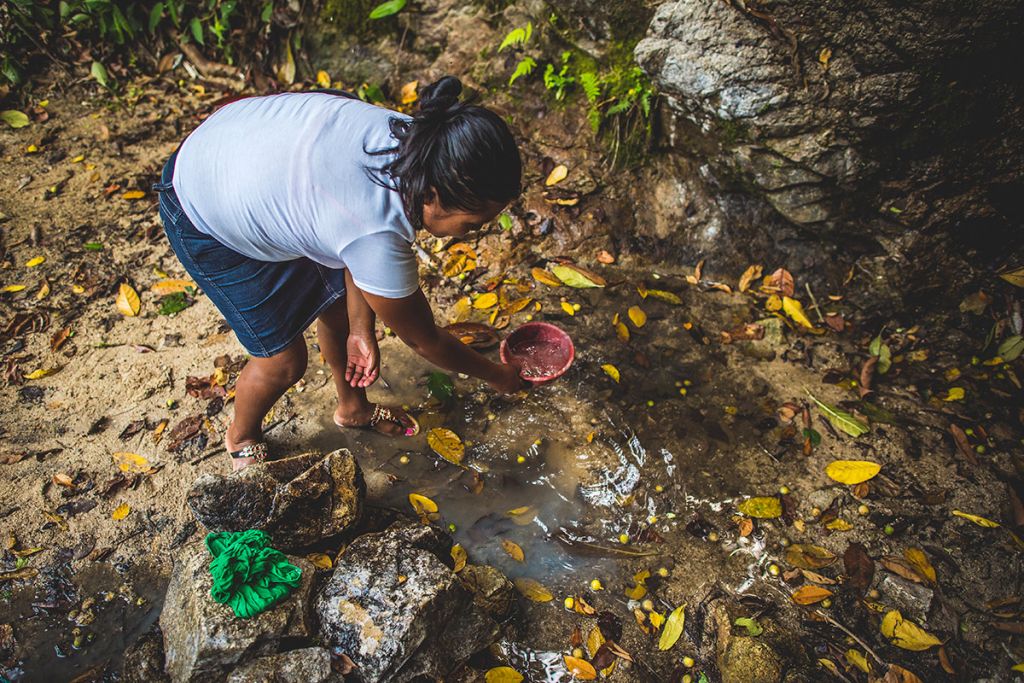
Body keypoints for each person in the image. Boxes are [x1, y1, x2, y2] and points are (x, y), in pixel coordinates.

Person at [154, 76, 526, 470]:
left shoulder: (420, 142)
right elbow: (425, 340)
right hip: (200, 204)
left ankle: (353, 409)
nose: (475, 232)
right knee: (283, 362)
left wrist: (362, 331)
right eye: (471, 224)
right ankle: (241, 435)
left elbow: (352, 239)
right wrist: (498, 376)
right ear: (432, 195)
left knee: (338, 310)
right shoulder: (375, 231)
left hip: (247, 155)